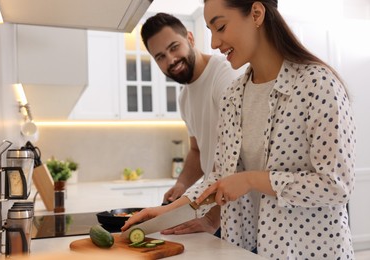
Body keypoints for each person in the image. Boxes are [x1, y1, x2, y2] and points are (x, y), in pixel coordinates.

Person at [123, 0, 356, 258]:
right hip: (251, 247)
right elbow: (220, 176)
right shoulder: (234, 96)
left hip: (310, 251)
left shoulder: (318, 84)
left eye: (220, 27)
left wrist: (250, 180)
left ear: (256, 14)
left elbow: (336, 185)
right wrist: (167, 212)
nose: (213, 42)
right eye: (210, 31)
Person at [140, 13, 241, 234]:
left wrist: (214, 218)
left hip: (235, 215)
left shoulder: (224, 77)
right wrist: (182, 185)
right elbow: (196, 150)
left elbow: (239, 156)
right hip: (215, 210)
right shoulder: (184, 98)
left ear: (191, 39)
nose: (171, 60)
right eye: (160, 57)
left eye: (174, 47)